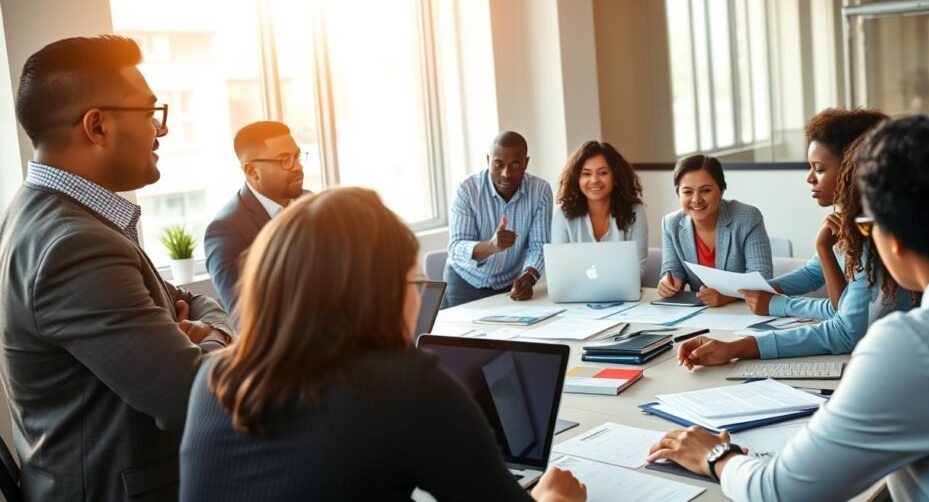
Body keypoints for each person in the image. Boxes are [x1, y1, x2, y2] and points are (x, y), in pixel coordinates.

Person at [647, 95, 929, 501]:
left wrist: (716, 454)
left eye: (866, 226)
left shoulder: (917, 345)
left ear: (892, 238)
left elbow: (780, 492)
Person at [180, 188, 586, 501]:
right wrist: (551, 496)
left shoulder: (213, 378)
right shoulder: (407, 387)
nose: (417, 298)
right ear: (380, 293)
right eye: (413, 283)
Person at [0, 35, 234, 502]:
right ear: (98, 126)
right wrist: (215, 335)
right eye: (150, 114)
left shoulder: (52, 215)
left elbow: (189, 299)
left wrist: (199, 329)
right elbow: (192, 396)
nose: (160, 131)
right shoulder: (74, 245)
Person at [681, 111, 911, 364]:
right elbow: (814, 274)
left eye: (819, 169)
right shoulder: (850, 219)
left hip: (892, 359)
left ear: (853, 169)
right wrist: (744, 292)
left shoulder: (868, 233)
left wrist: (761, 323)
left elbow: (845, 329)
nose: (809, 178)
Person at [204, 121, 310, 311]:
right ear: (252, 171)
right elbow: (244, 318)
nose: (297, 167)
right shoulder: (226, 230)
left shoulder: (311, 201)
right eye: (285, 159)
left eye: (297, 156)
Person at [444, 131, 553, 307]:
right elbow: (455, 248)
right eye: (498, 164)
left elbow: (539, 245)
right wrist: (491, 246)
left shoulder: (540, 191)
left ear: (526, 163)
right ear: (488, 160)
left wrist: (529, 276)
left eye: (515, 165)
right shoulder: (467, 190)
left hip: (511, 285)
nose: (506, 174)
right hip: (466, 283)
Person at [657, 154, 772, 306]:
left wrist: (727, 297)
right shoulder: (670, 223)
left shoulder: (748, 218)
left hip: (743, 310)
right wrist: (670, 282)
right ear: (678, 193)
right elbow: (673, 269)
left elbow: (761, 277)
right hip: (699, 313)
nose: (696, 199)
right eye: (687, 192)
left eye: (705, 190)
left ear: (721, 190)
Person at [552, 140, 648, 276]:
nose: (594, 180)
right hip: (577, 296)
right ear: (576, 178)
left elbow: (639, 270)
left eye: (603, 173)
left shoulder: (635, 211)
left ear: (615, 177)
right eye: (586, 174)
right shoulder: (563, 216)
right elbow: (560, 271)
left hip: (621, 295)